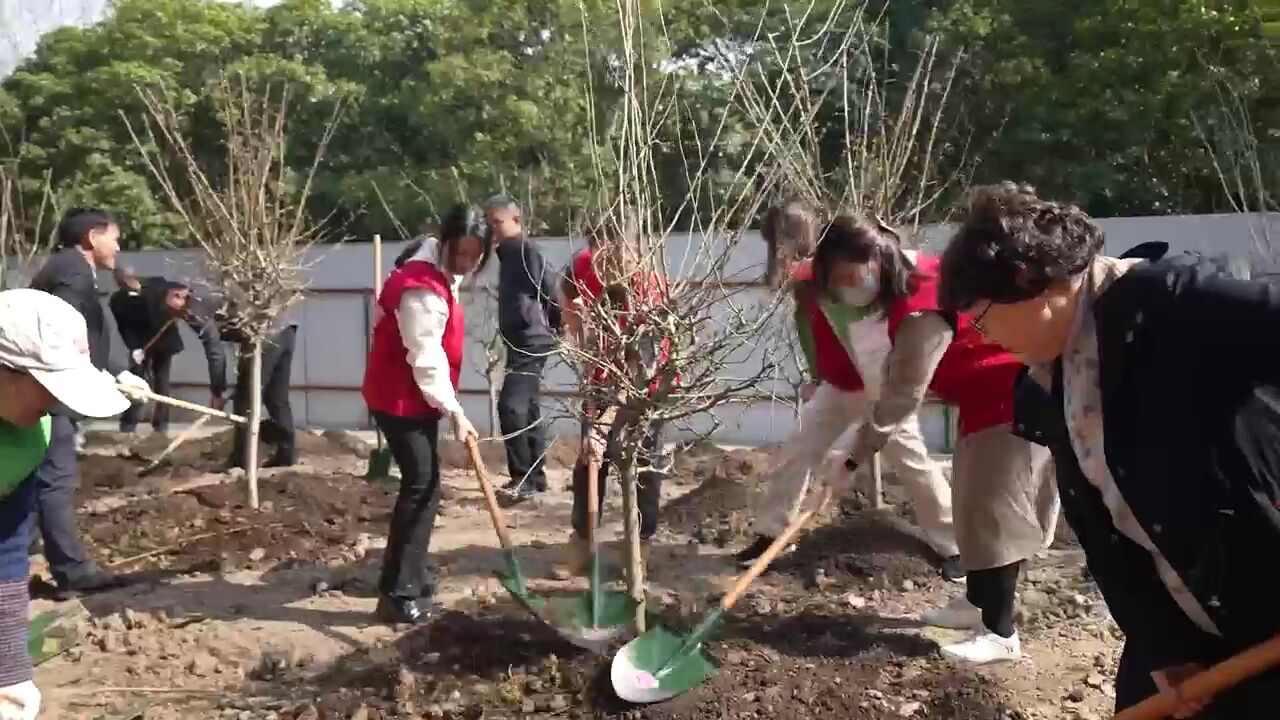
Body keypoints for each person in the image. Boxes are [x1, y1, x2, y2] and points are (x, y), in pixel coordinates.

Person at [938, 183, 1280, 715]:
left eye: (980, 318)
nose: (979, 337)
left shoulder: (1174, 305)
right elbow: (1098, 526)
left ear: (1032, 280)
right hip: (1177, 615)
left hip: (1263, 600)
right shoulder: (1044, 382)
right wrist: (1164, 649)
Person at [812, 214, 1058, 665]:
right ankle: (976, 605)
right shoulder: (914, 280)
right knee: (969, 508)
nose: (847, 288)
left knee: (995, 516)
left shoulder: (921, 305)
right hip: (980, 399)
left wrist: (852, 458)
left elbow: (904, 392)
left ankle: (1001, 634)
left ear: (874, 260)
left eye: (849, 276)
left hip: (1011, 396)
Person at [735, 200, 962, 580]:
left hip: (884, 381)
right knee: (798, 448)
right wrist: (817, 374)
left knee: (911, 462)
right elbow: (812, 327)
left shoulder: (894, 277)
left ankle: (954, 544)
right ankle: (773, 535)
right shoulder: (813, 281)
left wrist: (851, 461)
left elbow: (908, 364)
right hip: (841, 382)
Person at [0, 289, 132, 720]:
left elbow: (7, 549)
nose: (55, 403)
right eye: (47, 387)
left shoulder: (30, 437)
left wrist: (10, 673)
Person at [363, 204, 491, 624]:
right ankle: (397, 595)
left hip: (415, 396)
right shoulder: (421, 289)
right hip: (400, 398)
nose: (467, 262)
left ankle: (412, 575)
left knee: (425, 485)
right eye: (461, 253)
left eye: (476, 255)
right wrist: (454, 411)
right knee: (421, 487)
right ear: (446, 242)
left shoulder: (434, 268)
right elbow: (426, 357)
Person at [28, 207, 150, 597]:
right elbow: (60, 331)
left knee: (35, 480)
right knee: (55, 481)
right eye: (113, 236)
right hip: (51, 396)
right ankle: (73, 572)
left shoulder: (75, 271)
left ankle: (22, 551)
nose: (118, 245)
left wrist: (119, 370)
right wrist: (91, 374)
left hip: (48, 393)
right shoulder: (71, 273)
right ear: (91, 237)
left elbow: (99, 326)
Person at [551, 215, 669, 579]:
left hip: (646, 385)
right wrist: (582, 342)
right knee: (589, 459)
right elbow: (566, 289)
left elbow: (636, 373)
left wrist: (602, 426)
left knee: (641, 461)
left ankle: (639, 544)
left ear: (635, 251)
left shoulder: (650, 292)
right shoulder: (587, 264)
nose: (604, 264)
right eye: (597, 252)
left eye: (615, 254)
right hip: (602, 374)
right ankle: (583, 540)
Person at [488, 195, 562, 502]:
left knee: (511, 406)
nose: (493, 229)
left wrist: (557, 324)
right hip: (521, 340)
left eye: (498, 222)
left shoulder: (525, 249)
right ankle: (536, 477)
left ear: (516, 221)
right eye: (489, 223)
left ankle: (523, 479)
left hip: (532, 341)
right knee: (528, 407)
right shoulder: (506, 254)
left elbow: (550, 287)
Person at [109, 268, 184, 434]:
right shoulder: (116, 301)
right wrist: (134, 348)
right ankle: (128, 425)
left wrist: (179, 298)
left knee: (162, 383)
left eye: (127, 279)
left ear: (134, 277)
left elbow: (178, 289)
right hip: (139, 346)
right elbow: (124, 328)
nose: (125, 283)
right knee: (135, 384)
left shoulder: (157, 285)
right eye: (121, 281)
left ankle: (161, 426)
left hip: (164, 341)